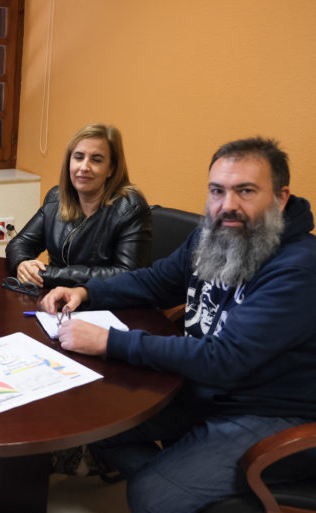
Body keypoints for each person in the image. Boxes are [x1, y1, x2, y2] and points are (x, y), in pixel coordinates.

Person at [40, 137, 316, 513]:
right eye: (217, 191)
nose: (227, 206)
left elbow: (225, 358)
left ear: (281, 198)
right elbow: (154, 281)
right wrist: (86, 293)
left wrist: (111, 342)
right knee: (93, 422)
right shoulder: (212, 233)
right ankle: (181, 474)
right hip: (203, 390)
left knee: (152, 495)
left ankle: (178, 482)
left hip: (269, 413)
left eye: (246, 191)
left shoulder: (298, 269)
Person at [6, 123, 151, 289]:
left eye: (96, 160)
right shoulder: (56, 198)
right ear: (69, 162)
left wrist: (47, 274)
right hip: (56, 297)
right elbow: (20, 243)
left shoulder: (130, 207)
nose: (84, 167)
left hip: (104, 303)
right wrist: (23, 264)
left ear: (111, 168)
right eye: (78, 157)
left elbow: (126, 274)